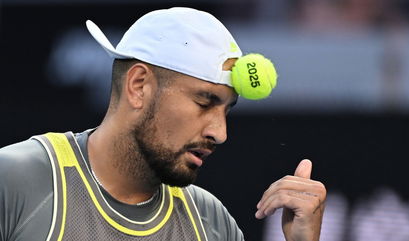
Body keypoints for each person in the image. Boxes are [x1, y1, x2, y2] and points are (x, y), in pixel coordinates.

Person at [0, 7, 326, 241]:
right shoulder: (15, 180)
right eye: (205, 101)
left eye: (226, 110)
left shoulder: (211, 222)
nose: (220, 132)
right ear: (139, 86)